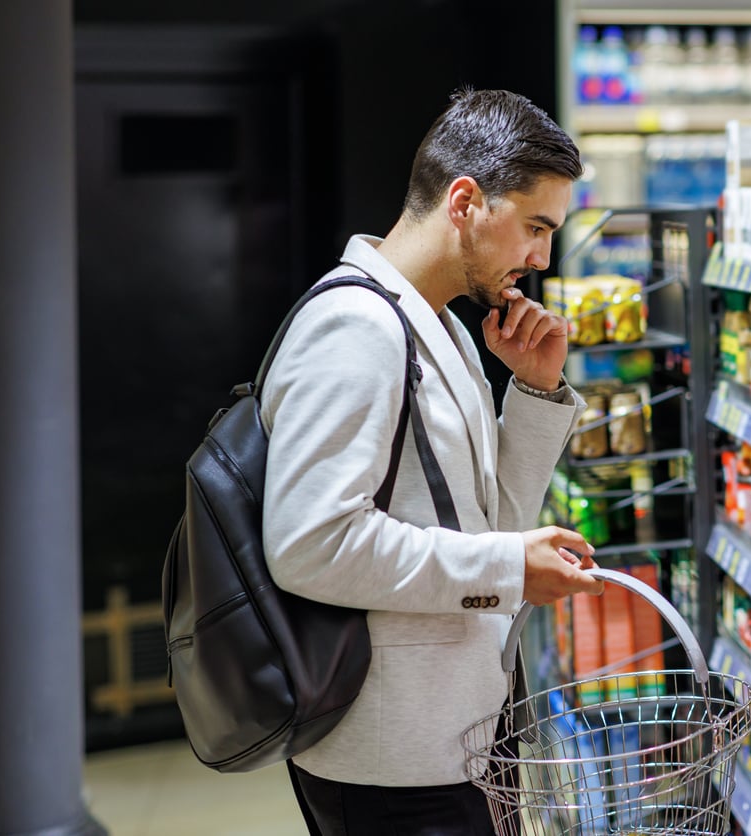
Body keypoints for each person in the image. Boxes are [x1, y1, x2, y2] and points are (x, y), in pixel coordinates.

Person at [259, 87, 605, 834]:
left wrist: (535, 394)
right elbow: (309, 545)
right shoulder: (355, 328)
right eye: (535, 227)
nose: (542, 258)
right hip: (391, 759)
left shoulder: (439, 326)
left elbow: (489, 525)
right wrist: (508, 569)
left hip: (456, 733)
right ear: (464, 200)